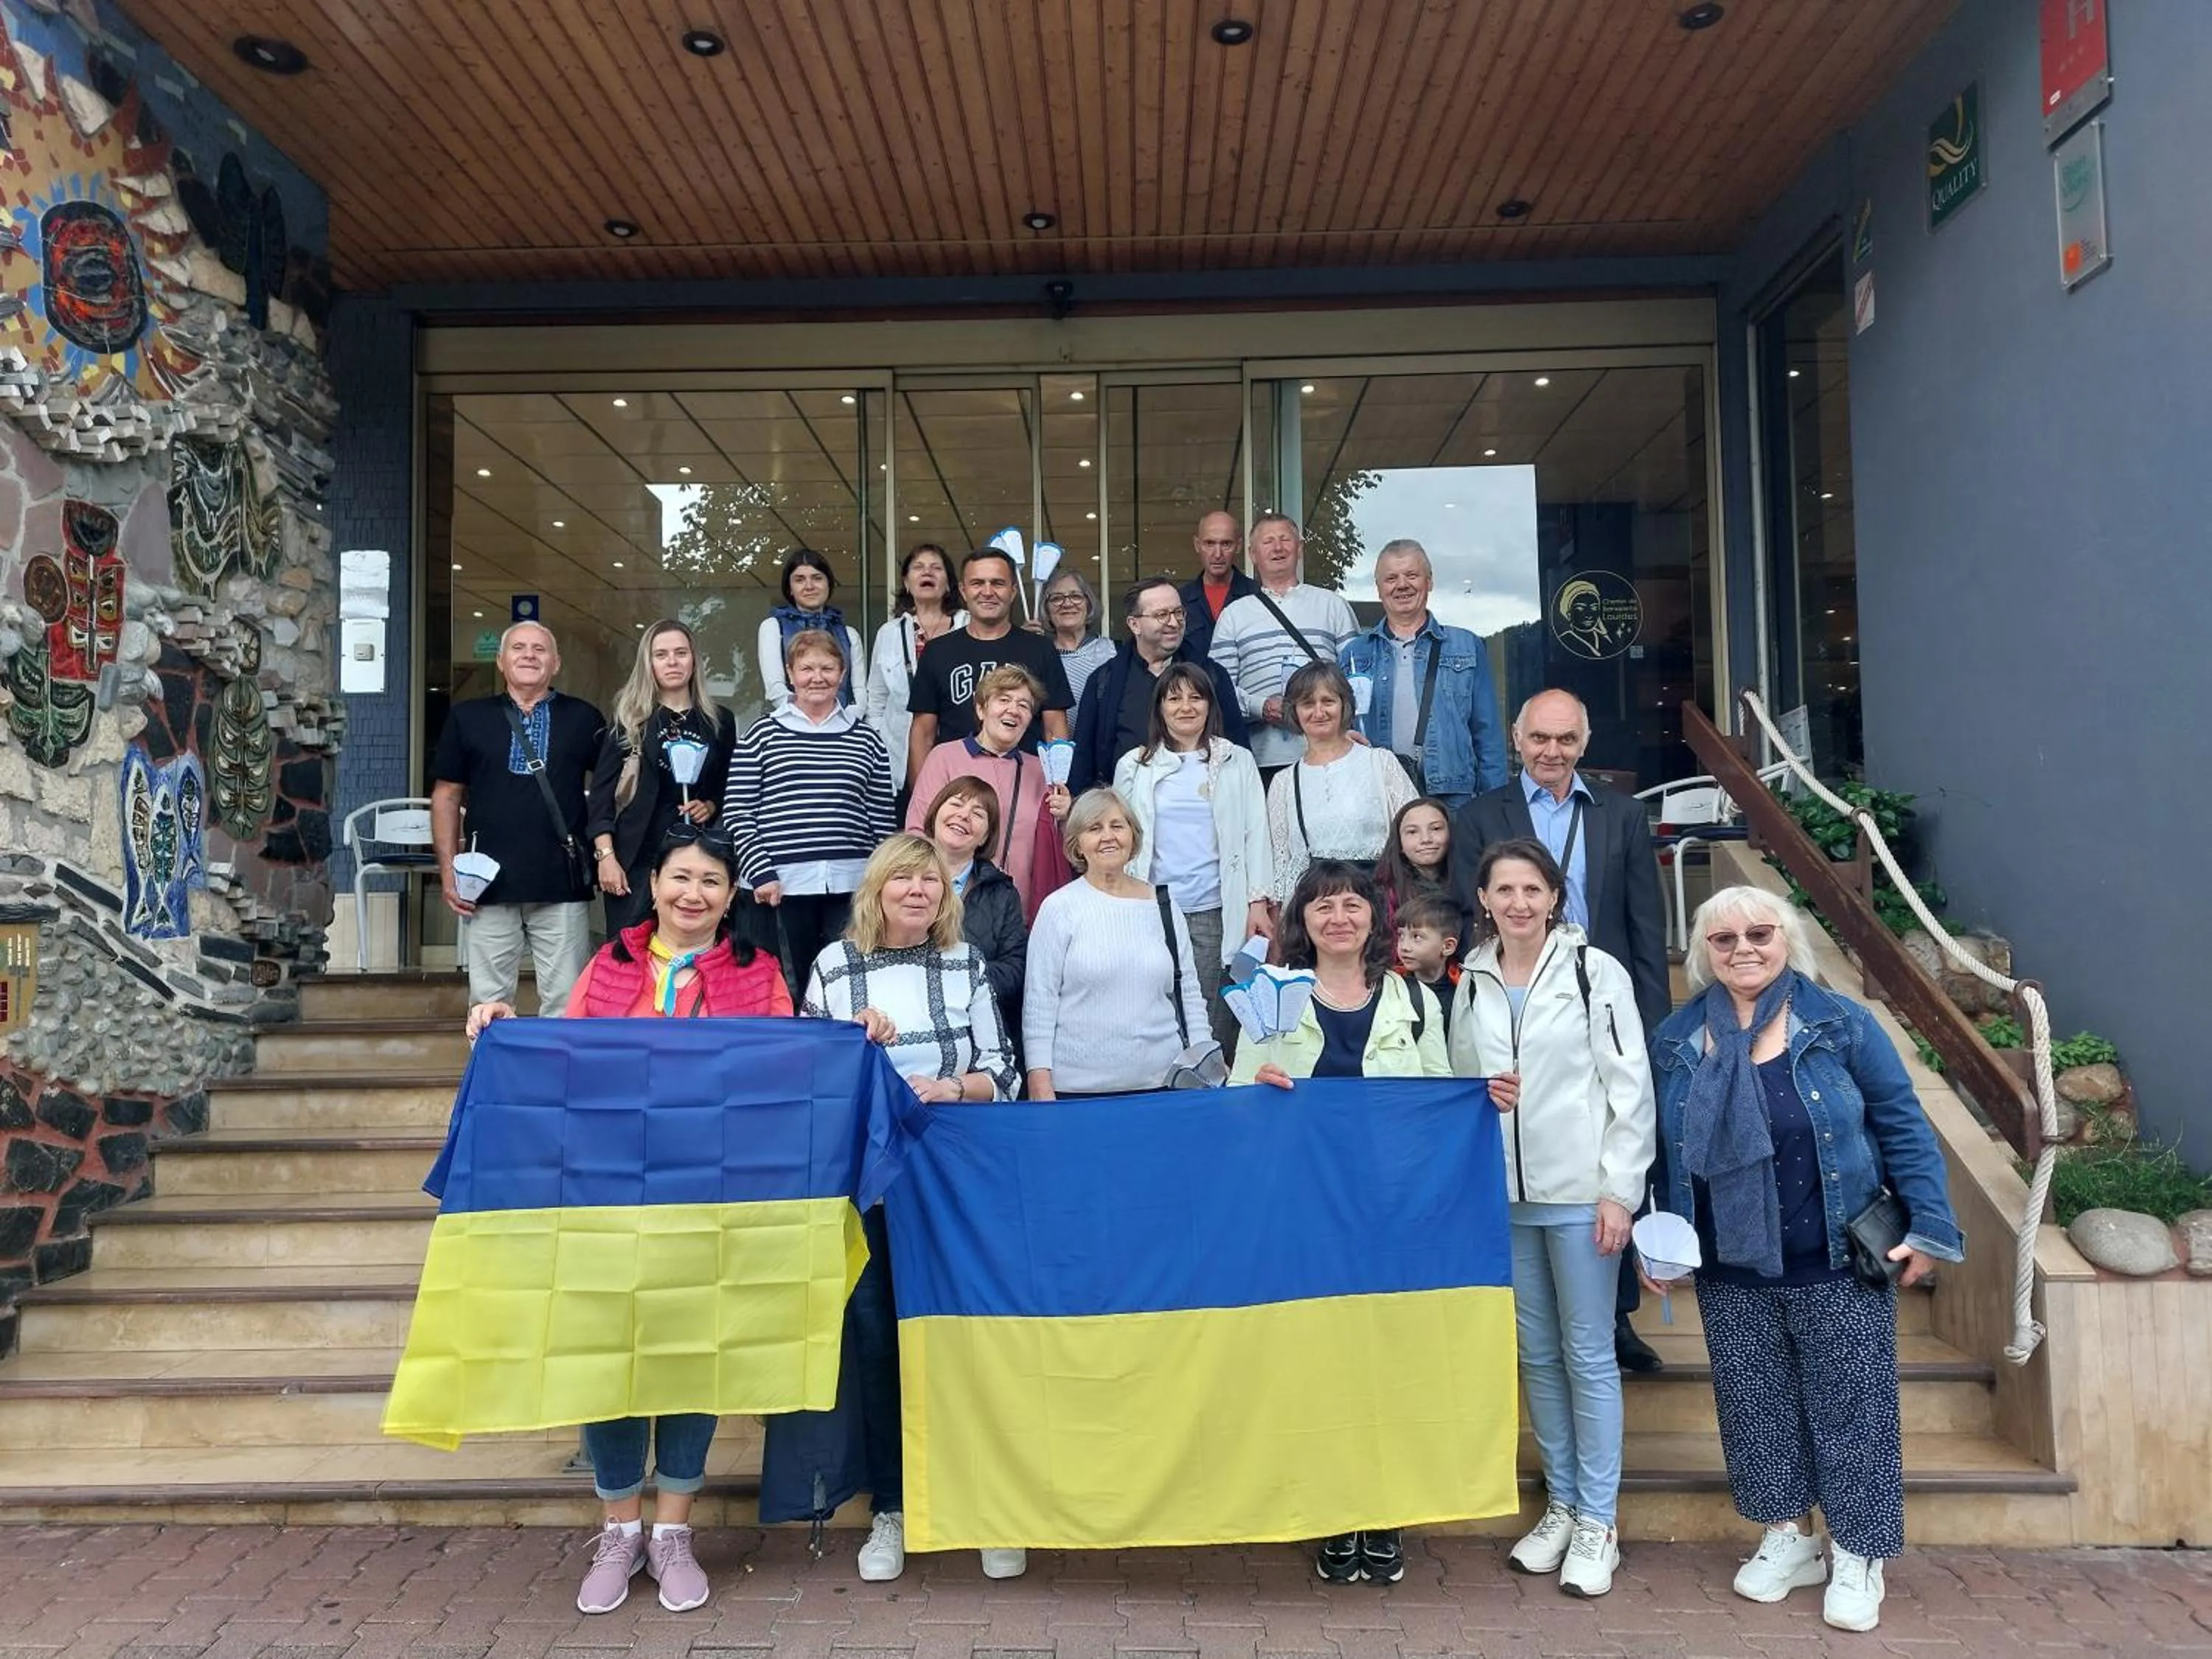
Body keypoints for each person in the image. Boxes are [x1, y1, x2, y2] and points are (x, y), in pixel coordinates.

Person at [464, 824, 793, 1616]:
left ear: (731, 895)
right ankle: (619, 1528)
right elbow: (566, 1063)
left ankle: (672, 1532)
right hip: (608, 1194)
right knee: (606, 1355)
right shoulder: (609, 967)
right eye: (681, 876)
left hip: (712, 1197)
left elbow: (788, 1074)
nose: (694, 893)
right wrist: (504, 1030)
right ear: (652, 885)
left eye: (712, 881)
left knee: (692, 1354)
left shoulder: (759, 972)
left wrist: (861, 1037)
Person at [1646, 886, 1964, 1635]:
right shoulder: (1680, 1037)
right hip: (1729, 1259)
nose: (1743, 950)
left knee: (1853, 1409)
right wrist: (1654, 1235)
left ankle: (1858, 1551)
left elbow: (1903, 1125)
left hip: (1835, 1252)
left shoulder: (1841, 1023)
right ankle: (1789, 1536)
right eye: (1723, 941)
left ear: (1787, 938)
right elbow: (1661, 1149)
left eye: (1760, 933)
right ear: (1703, 953)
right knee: (1756, 1407)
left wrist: (1931, 1227)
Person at [790, 834, 1022, 1585]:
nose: (919, 891)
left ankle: (985, 1504)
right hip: (868, 1184)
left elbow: (1006, 1073)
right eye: (904, 880)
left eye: (931, 881)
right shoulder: (834, 966)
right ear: (878, 890)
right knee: (878, 1344)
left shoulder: (967, 965)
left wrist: (953, 1088)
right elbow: (807, 1078)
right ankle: (892, 1508)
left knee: (967, 1339)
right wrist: (851, 1047)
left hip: (957, 1181)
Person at [1230, 858, 1448, 1588]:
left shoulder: (1413, 998)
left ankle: (1381, 1511)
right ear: (1303, 921)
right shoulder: (1269, 997)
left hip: (1388, 1212)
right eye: (1322, 906)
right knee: (1317, 1359)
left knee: (1384, 1357)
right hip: (1305, 1211)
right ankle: (1331, 1506)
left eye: (1353, 903)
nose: (1339, 917)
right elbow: (1238, 1109)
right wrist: (1259, 1084)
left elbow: (1439, 1103)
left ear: (1374, 917)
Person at [1448, 838, 1655, 1600]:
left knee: (1589, 1356)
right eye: (1504, 889)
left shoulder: (1592, 971)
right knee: (1535, 1354)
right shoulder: (1469, 977)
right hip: (1505, 1198)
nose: (1519, 903)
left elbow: (1629, 1087)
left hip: (1579, 1195)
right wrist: (1482, 1091)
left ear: (1554, 897)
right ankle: (1563, 1504)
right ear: (1486, 899)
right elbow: (1455, 1077)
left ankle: (1600, 1520)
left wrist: (1619, 1191)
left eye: (1532, 889)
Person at [1448, 687, 1673, 1374]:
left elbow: (1645, 926)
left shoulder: (1623, 814)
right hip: (1515, 1003)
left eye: (1566, 740)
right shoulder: (1480, 815)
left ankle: (1619, 1317)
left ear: (1584, 744)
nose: (1552, 752)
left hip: (1596, 1002)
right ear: (1517, 740)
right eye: (1540, 739)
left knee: (1609, 1151)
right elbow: (1466, 915)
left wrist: (1654, 1025)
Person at [431, 621, 603, 1019]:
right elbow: (446, 796)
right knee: (488, 1006)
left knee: (567, 1004)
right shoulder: (468, 717)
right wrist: (447, 872)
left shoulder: (584, 718)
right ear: (501, 660)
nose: (529, 655)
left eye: (540, 649)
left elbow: (615, 790)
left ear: (556, 663)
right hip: (487, 885)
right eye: (519, 648)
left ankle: (558, 1081)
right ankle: (499, 1082)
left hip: (562, 883)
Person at [724, 629, 897, 996]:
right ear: (790, 673)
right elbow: (738, 811)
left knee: (845, 990)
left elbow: (882, 820)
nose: (817, 677)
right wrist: (761, 872)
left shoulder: (865, 738)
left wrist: (882, 883)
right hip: (779, 889)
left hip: (852, 888)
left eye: (827, 668)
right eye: (806, 668)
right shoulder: (761, 734)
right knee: (786, 992)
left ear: (843, 673)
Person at [1113, 663, 1273, 1059]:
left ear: (1210, 705)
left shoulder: (1236, 760)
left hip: (1214, 910)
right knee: (1151, 1008)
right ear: (1160, 708)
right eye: (1174, 698)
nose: (1186, 707)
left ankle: (1206, 1097)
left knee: (1209, 1019)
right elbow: (1118, 836)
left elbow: (1257, 832)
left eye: (1196, 697)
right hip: (1151, 909)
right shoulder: (1134, 764)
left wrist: (1258, 902)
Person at [1023, 789, 1209, 1099]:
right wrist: (1040, 1083)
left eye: (1117, 826)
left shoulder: (1163, 904)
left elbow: (1188, 991)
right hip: (1078, 1094)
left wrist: (1204, 1062)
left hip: (1163, 1087)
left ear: (1132, 836)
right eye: (1094, 829)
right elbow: (1039, 1002)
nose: (1107, 837)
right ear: (1077, 844)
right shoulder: (1059, 908)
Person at [588, 619, 736, 933]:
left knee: (695, 950)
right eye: (661, 654)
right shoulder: (629, 719)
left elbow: (728, 787)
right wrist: (606, 857)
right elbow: (600, 797)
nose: (672, 662)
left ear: (694, 660)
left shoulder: (719, 721)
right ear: (649, 663)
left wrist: (709, 805)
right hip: (635, 858)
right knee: (629, 954)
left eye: (681, 653)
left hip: (697, 858)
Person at [1338, 539, 1507, 807]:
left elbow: (1488, 736)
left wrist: (1495, 805)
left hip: (1456, 800)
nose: (1402, 585)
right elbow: (1340, 727)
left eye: (1412, 575)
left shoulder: (1467, 645)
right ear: (1379, 589)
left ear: (1429, 582)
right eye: (1391, 578)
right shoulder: (1354, 654)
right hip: (1380, 797)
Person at [904, 666, 1071, 917]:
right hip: (950, 908)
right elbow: (918, 832)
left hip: (1018, 912)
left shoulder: (1041, 769)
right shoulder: (944, 757)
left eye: (1024, 705)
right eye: (1004, 700)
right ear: (981, 709)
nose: (1013, 710)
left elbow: (1058, 847)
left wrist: (1067, 815)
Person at [1208, 512, 1358, 781]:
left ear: (1299, 548)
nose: (1278, 548)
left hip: (1331, 754)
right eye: (1268, 542)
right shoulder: (1233, 615)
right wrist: (1260, 706)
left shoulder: (1332, 605)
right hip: (1259, 760)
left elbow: (1356, 680)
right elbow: (1218, 690)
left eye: (1285, 539)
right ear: (1253, 554)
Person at [904, 548, 1071, 787]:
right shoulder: (937, 652)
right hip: (955, 795)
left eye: (998, 583)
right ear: (963, 590)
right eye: (977, 583)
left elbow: (1054, 728)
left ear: (1013, 591)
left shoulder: (1040, 650)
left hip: (1025, 789)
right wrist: (924, 799)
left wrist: (1056, 789)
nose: (987, 592)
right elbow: (922, 735)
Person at [1070, 574, 1249, 792]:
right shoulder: (1104, 681)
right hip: (1126, 809)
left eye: (1178, 613)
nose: (1174, 623)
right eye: (1162, 615)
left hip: (1201, 803)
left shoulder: (1211, 675)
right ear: (1134, 624)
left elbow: (1237, 750)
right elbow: (1083, 760)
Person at [1266, 662, 1418, 900]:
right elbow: (1281, 863)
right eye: (1308, 703)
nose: (1319, 712)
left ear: (1344, 704)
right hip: (1316, 911)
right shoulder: (1283, 783)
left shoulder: (1380, 762)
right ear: (1294, 711)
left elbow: (1415, 834)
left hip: (1380, 905)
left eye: (1328, 701)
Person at [919, 773, 1029, 1034]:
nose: (964, 816)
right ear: (935, 813)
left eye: (978, 814)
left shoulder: (1002, 893)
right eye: (956, 805)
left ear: (985, 837)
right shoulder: (895, 878)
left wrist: (955, 978)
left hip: (976, 1029)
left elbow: (1015, 968)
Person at [864, 542, 965, 789]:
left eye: (936, 568)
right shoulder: (889, 633)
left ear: (949, 583)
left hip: (958, 746)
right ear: (907, 583)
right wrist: (883, 744)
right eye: (918, 568)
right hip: (901, 756)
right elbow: (876, 701)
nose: (927, 572)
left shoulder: (969, 627)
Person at [757, 547, 866, 710]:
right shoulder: (773, 627)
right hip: (790, 724)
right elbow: (775, 689)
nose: (809, 586)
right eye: (800, 580)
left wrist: (846, 720)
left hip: (843, 725)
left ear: (829, 584)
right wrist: (809, 721)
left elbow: (859, 690)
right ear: (790, 589)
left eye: (817, 578)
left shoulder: (849, 635)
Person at [1375, 796, 1471, 943]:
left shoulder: (1470, 886)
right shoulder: (1381, 894)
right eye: (1413, 832)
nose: (1426, 839)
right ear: (1399, 843)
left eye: (1436, 829)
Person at [1178, 509, 1258, 661]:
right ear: (1197, 545)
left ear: (1239, 546)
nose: (1218, 554)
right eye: (1209, 543)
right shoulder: (1179, 601)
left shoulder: (1258, 596)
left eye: (1226, 544)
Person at [1037, 567, 1117, 704]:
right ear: (1046, 609)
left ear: (1089, 604)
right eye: (1057, 598)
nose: (1067, 604)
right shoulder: (1040, 657)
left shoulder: (1113, 651)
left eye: (1076, 596)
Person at [1392, 890, 1463, 1038]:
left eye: (1417, 937)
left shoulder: (1464, 992)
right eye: (1401, 935)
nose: (1404, 946)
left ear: (1448, 947)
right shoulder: (1392, 987)